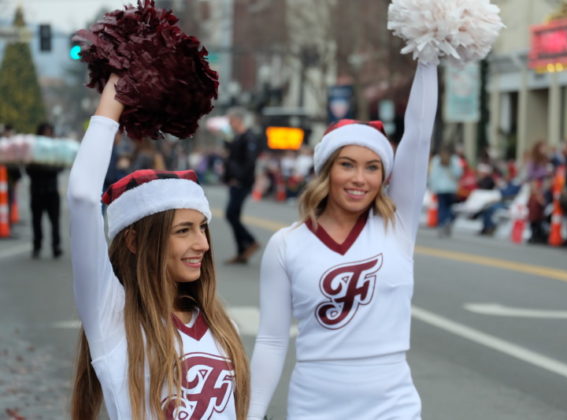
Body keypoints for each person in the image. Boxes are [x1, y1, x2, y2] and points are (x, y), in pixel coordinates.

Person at [247, 62, 437, 419]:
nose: (359, 179)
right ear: (326, 170)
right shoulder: (286, 245)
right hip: (315, 405)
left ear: (384, 177)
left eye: (372, 167)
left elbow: (419, 135)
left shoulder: (397, 227)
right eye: (347, 164)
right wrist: (252, 413)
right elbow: (272, 341)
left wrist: (427, 54)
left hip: (392, 407)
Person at [68, 74, 249, 419]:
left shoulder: (224, 326)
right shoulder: (112, 317)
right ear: (135, 241)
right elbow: (81, 197)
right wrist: (115, 92)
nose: (203, 245)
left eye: (202, 229)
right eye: (183, 231)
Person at [223, 107, 262, 264]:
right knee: (234, 215)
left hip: (241, 182)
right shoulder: (237, 137)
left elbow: (249, 161)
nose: (230, 124)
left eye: (231, 121)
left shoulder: (248, 137)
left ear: (238, 120)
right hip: (234, 181)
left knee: (231, 214)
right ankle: (241, 250)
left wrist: (238, 178)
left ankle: (250, 241)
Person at [25, 122, 63, 258]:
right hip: (37, 191)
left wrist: (47, 167)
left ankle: (56, 246)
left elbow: (61, 166)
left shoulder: (55, 149)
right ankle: (37, 245)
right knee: (36, 221)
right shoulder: (33, 150)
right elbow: (28, 169)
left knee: (55, 221)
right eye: (45, 132)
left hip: (52, 191)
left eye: (49, 132)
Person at [429, 144, 462, 237]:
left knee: (442, 208)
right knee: (449, 208)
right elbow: (458, 174)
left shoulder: (436, 160)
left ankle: (442, 224)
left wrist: (432, 187)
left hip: (440, 188)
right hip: (451, 188)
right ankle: (448, 221)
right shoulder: (455, 160)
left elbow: (433, 175)